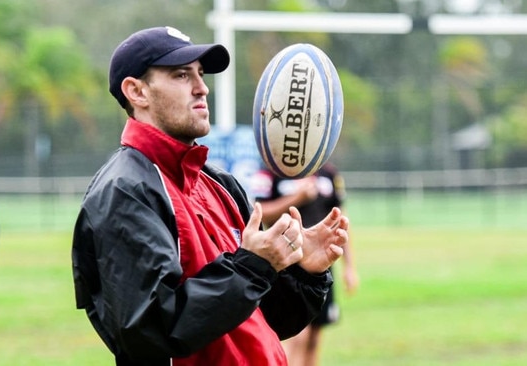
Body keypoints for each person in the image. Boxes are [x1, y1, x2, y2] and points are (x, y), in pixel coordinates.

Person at [71, 26, 350, 366]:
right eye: (180, 75)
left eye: (201, 75)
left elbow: (265, 319)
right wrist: (253, 267)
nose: (202, 88)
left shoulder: (219, 184)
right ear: (136, 91)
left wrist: (305, 273)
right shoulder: (126, 191)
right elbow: (150, 329)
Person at [255, 163, 359, 366]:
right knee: (296, 336)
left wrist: (349, 267)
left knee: (314, 338)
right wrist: (296, 198)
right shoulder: (271, 170)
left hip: (322, 267)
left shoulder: (329, 173)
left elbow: (342, 219)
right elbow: (259, 212)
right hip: (286, 263)